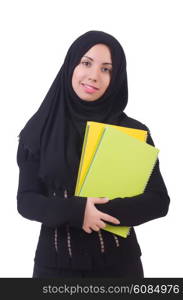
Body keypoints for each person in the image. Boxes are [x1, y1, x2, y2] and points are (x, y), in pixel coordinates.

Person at [16, 30, 170, 278]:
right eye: (86, 63)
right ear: (71, 66)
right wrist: (77, 212)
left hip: (121, 268)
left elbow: (158, 201)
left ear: (117, 77)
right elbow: (26, 201)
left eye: (106, 69)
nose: (94, 76)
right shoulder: (38, 130)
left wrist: (101, 213)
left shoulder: (132, 131)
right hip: (54, 269)